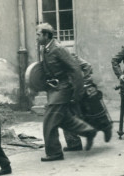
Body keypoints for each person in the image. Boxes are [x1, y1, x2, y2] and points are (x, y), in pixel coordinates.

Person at [37, 23, 97, 162]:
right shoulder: (45, 49)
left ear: (46, 35)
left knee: (49, 120)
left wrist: (78, 92)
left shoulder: (58, 49)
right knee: (64, 119)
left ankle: (54, 153)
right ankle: (88, 131)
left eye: (38, 35)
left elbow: (75, 69)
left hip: (64, 87)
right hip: (55, 87)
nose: (37, 38)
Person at [63, 54, 113, 151]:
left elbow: (87, 66)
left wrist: (83, 81)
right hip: (68, 90)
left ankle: (105, 128)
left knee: (93, 113)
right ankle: (74, 143)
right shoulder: (54, 61)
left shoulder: (70, 56)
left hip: (82, 89)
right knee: (68, 115)